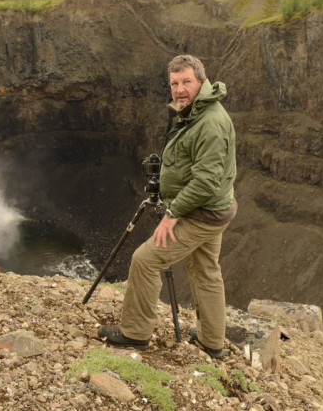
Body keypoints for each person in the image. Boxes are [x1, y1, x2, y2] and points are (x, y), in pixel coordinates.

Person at [98, 54, 237, 358]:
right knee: (206, 271)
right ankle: (212, 341)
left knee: (146, 260)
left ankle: (135, 333)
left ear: (201, 80)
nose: (180, 89)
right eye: (174, 83)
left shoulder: (210, 123)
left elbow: (206, 182)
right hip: (214, 209)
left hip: (200, 213)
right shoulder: (195, 111)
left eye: (186, 81)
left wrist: (172, 214)